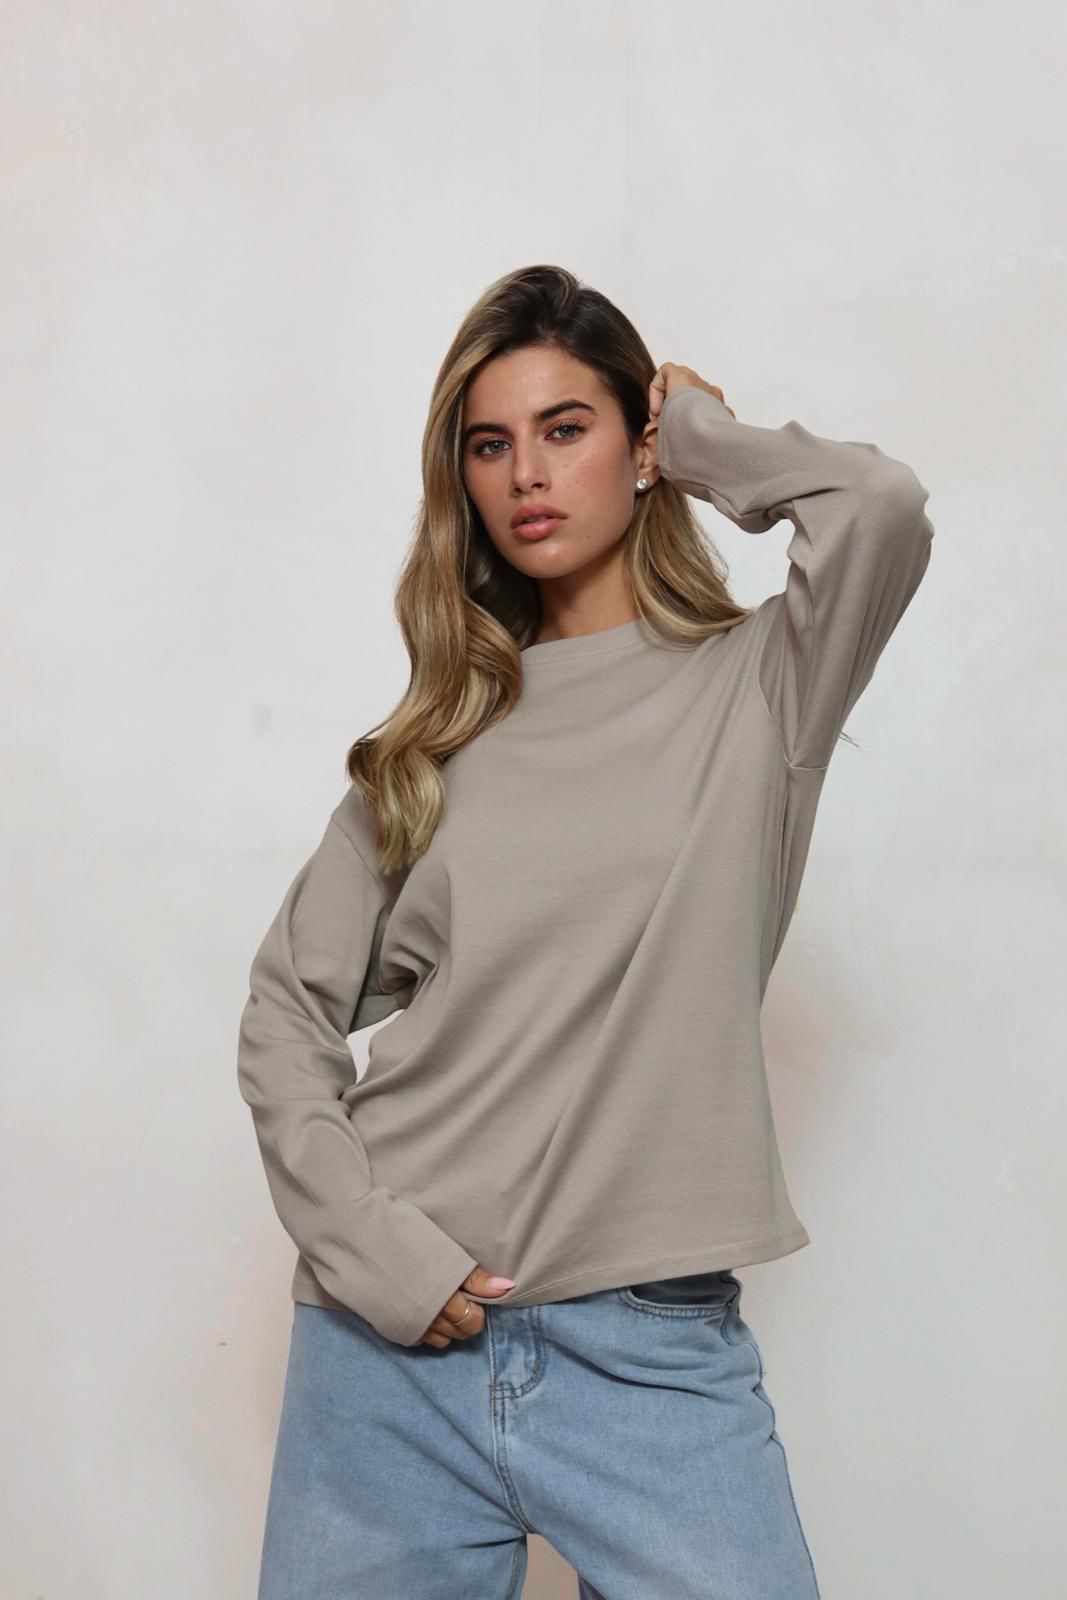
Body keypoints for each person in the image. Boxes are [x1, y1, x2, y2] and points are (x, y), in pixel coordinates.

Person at [237, 263, 934, 1598]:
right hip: (391, 1360)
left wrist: (704, 437)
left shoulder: (762, 688)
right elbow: (286, 1008)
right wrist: (371, 1247)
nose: (527, 475)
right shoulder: (436, 742)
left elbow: (882, 509)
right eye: (490, 444)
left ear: (637, 444)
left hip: (649, 1356)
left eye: (567, 429)